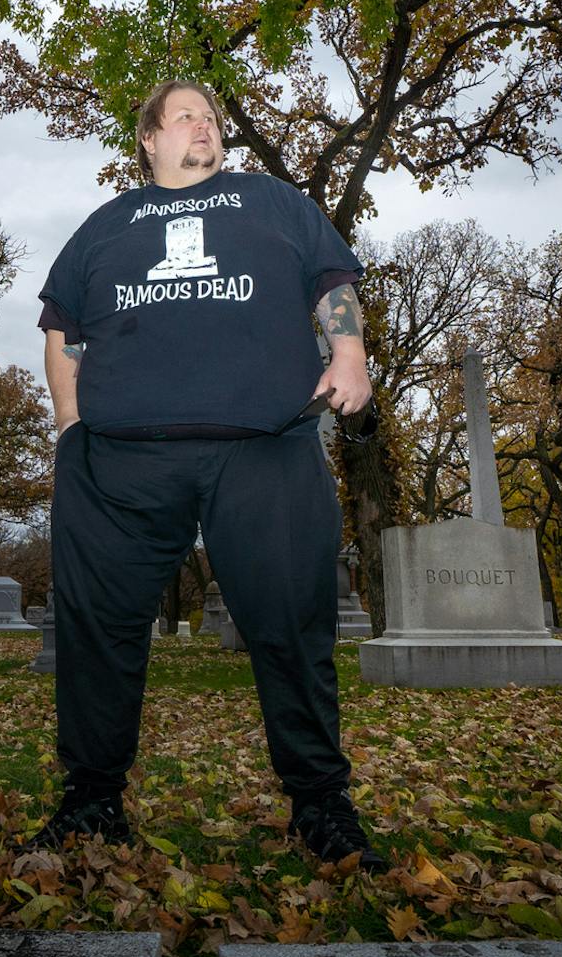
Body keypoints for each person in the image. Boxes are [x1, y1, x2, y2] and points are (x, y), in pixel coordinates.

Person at [30, 79, 378, 865]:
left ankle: (321, 805)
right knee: (97, 630)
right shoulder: (104, 227)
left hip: (265, 444)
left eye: (213, 119)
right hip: (120, 459)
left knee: (293, 624)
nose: (206, 127)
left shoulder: (273, 202)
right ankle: (91, 801)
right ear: (149, 139)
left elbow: (332, 284)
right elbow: (64, 334)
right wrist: (70, 424)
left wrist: (349, 352)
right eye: (187, 115)